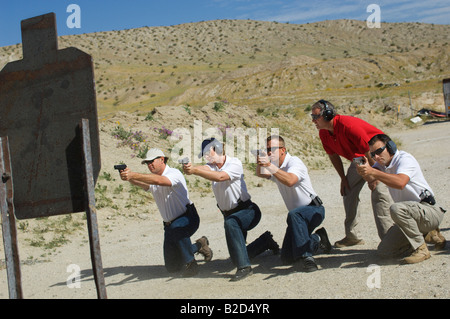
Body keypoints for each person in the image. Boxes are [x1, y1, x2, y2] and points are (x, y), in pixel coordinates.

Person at [182, 138, 279, 281]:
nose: (206, 158)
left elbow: (221, 177)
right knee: (236, 257)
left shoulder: (234, 163)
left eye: (208, 153)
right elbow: (204, 168)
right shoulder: (212, 166)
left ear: (216, 149)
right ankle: (265, 242)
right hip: (231, 215)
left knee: (231, 223)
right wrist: (191, 169)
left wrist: (194, 170)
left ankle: (245, 267)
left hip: (248, 211)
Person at [311, 99, 394, 247]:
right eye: (312, 117)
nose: (313, 121)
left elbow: (369, 150)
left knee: (379, 193)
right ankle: (353, 236)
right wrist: (343, 178)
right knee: (348, 191)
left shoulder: (349, 125)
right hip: (359, 158)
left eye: (316, 117)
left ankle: (389, 240)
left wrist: (374, 176)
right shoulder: (324, 133)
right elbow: (333, 155)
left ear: (328, 115)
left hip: (378, 156)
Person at [119, 148, 212, 277]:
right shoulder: (152, 179)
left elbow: (160, 181)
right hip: (169, 225)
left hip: (187, 218)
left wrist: (132, 175)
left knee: (177, 229)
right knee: (172, 267)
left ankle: (192, 265)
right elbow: (145, 184)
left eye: (152, 161)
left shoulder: (174, 173)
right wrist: (128, 177)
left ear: (162, 160)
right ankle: (199, 245)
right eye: (147, 163)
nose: (149, 165)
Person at [356, 134, 446, 264]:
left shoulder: (405, 159)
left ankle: (421, 249)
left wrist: (373, 172)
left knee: (397, 209)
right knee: (385, 251)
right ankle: (428, 234)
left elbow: (400, 182)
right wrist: (364, 171)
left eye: (379, 151)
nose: (376, 157)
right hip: (411, 215)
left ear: (391, 147)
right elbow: (371, 178)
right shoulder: (383, 164)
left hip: (429, 210)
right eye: (373, 154)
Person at [256, 135, 332, 272]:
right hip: (296, 219)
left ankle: (307, 258)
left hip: (313, 209)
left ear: (282, 150)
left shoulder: (294, 162)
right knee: (287, 257)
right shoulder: (277, 167)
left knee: (295, 215)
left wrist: (268, 165)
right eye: (267, 149)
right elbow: (261, 174)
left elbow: (290, 181)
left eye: (272, 149)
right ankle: (318, 238)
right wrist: (260, 162)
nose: (268, 152)